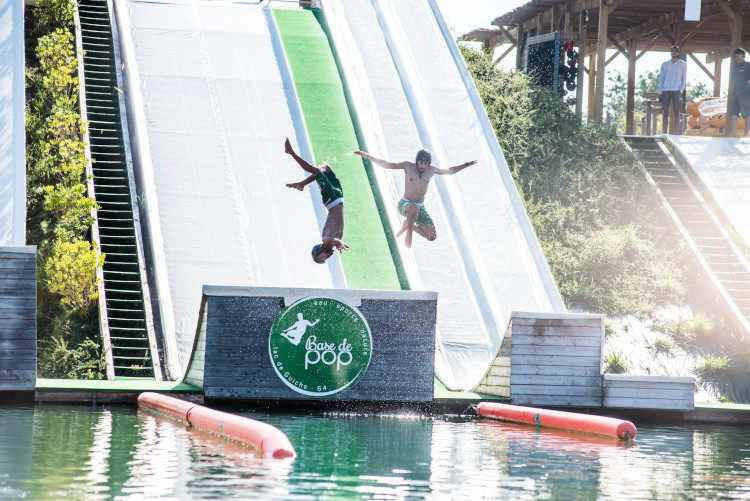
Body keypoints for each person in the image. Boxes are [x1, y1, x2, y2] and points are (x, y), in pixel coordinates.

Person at [354, 149, 476, 248]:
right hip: (405, 204)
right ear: (416, 161)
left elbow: (449, 171)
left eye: (425, 163)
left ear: (428, 163)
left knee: (431, 236)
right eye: (420, 162)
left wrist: (467, 164)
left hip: (419, 207)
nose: (422, 165)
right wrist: (367, 155)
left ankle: (408, 224)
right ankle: (409, 236)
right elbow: (387, 165)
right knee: (413, 208)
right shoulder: (408, 166)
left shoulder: (432, 170)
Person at [284, 137, 348, 264]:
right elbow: (336, 240)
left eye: (322, 257)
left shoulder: (325, 239)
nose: (326, 257)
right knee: (326, 169)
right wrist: (339, 244)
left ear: (320, 249)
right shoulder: (334, 242)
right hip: (339, 197)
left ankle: (291, 152)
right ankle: (301, 185)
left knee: (317, 171)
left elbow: (334, 241)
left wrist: (339, 243)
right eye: (324, 259)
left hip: (331, 200)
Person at [657, 45, 687, 135]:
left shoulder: (682, 64)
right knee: (665, 112)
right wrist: (659, 92)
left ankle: (676, 133)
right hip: (666, 90)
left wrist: (680, 91)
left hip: (676, 90)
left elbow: (684, 79)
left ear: (678, 52)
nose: (674, 52)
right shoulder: (665, 64)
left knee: (676, 112)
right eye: (672, 51)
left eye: (676, 51)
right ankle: (665, 132)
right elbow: (661, 78)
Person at [725, 48, 750, 138]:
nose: (737, 58)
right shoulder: (734, 69)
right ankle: (732, 133)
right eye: (735, 56)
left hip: (746, 93)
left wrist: (748, 81)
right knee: (733, 114)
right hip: (735, 95)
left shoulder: (748, 65)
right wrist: (731, 95)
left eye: (739, 56)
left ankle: (745, 134)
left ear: (743, 56)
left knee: (747, 114)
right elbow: (733, 83)